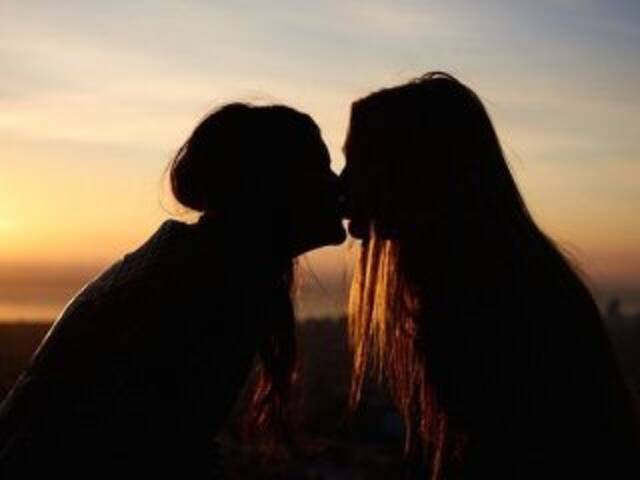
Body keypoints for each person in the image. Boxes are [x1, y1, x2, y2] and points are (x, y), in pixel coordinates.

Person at [0, 102, 346, 477]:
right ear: (270, 187)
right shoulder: (207, 289)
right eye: (320, 167)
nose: (339, 184)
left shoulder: (197, 266)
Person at [340, 72, 639, 479]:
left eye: (359, 162)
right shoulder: (506, 278)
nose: (342, 183)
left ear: (410, 170)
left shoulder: (486, 298)